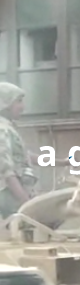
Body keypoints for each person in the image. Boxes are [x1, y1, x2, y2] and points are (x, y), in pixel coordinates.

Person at [0, 83, 36, 218]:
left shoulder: (8, 128)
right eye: (18, 101)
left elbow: (25, 157)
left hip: (14, 194)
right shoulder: (2, 130)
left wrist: (63, 161)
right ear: (5, 103)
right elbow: (6, 172)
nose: (23, 107)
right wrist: (27, 204)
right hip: (8, 195)